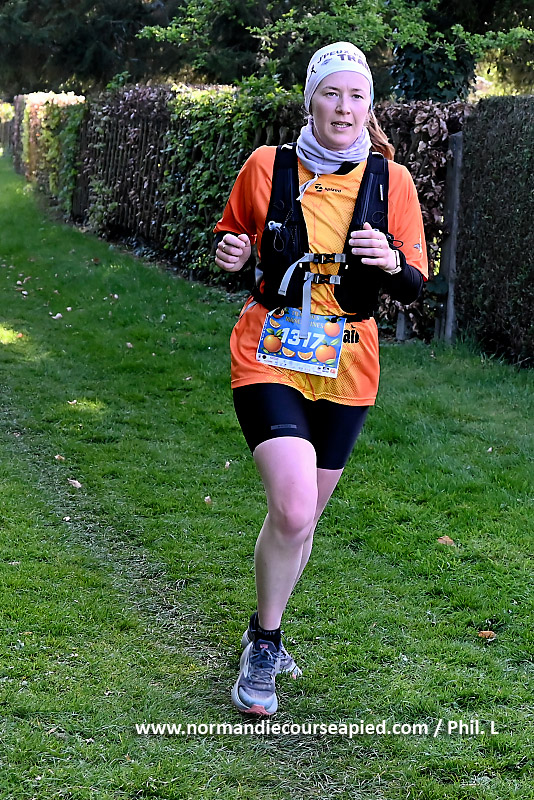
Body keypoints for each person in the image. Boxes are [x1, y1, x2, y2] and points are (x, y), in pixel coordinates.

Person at [214, 41, 428, 716]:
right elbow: (233, 238)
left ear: (369, 107)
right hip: (270, 350)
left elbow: (415, 284)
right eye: (330, 93)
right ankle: (265, 647)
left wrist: (389, 261)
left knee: (302, 523)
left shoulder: (392, 182)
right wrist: (232, 254)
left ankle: (262, 630)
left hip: (349, 363)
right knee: (293, 507)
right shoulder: (267, 166)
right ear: (311, 101)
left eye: (356, 95)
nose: (343, 107)